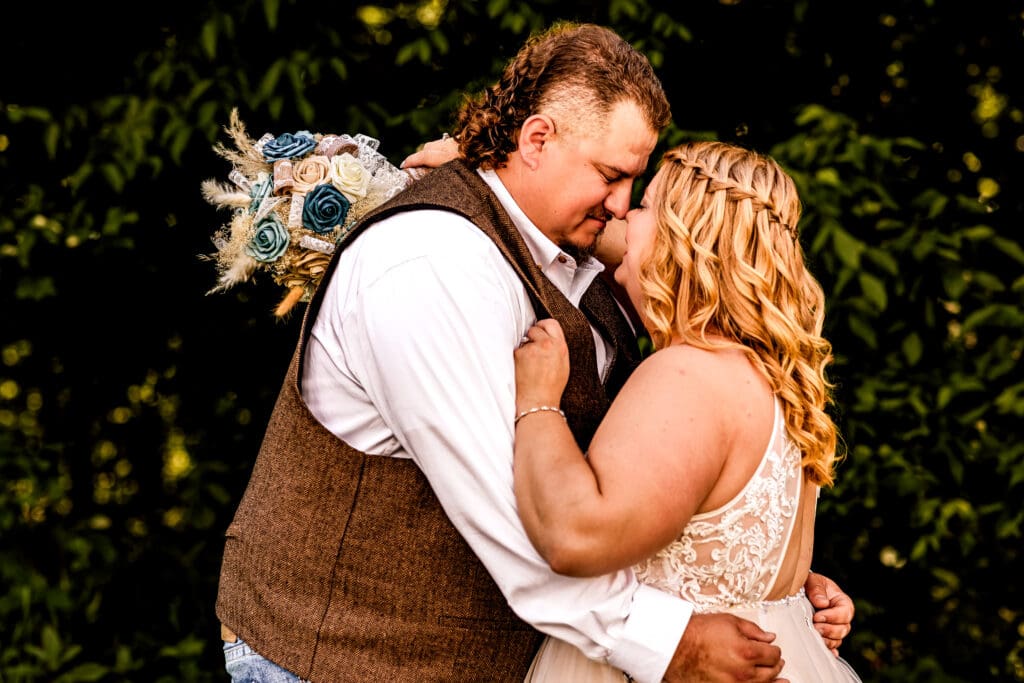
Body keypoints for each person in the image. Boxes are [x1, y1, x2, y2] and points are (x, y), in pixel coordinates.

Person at [215, 22, 854, 683]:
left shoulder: (581, 250)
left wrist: (764, 590)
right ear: (537, 138)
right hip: (342, 661)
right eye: (611, 175)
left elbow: (682, 269)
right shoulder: (432, 263)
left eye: (636, 187)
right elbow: (518, 527)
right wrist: (672, 642)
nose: (620, 206)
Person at [510, 140, 862, 681]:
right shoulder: (774, 381)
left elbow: (576, 537)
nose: (626, 214)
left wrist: (537, 401)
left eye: (646, 206)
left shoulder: (686, 374)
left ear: (684, 237)